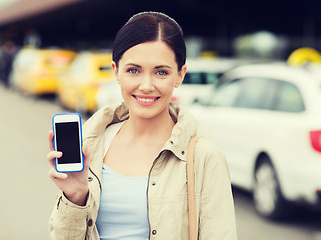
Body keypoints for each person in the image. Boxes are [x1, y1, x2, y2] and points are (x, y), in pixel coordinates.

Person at [47, 11, 237, 239]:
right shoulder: (91, 144)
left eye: (161, 72)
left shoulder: (204, 157)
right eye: (133, 70)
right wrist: (76, 197)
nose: (146, 86)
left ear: (180, 75)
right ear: (116, 71)